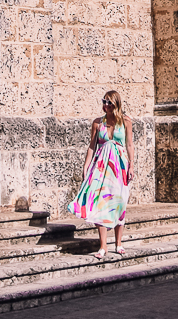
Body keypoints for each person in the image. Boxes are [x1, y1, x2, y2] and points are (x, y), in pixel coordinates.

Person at [67, 89, 134, 261]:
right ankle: (103, 245)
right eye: (103, 101)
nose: (105, 105)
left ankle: (118, 243)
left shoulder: (126, 121)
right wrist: (86, 166)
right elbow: (92, 146)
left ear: (115, 104)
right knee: (101, 204)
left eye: (108, 102)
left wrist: (131, 166)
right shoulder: (98, 123)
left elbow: (129, 145)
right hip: (101, 166)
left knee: (119, 203)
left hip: (119, 166)